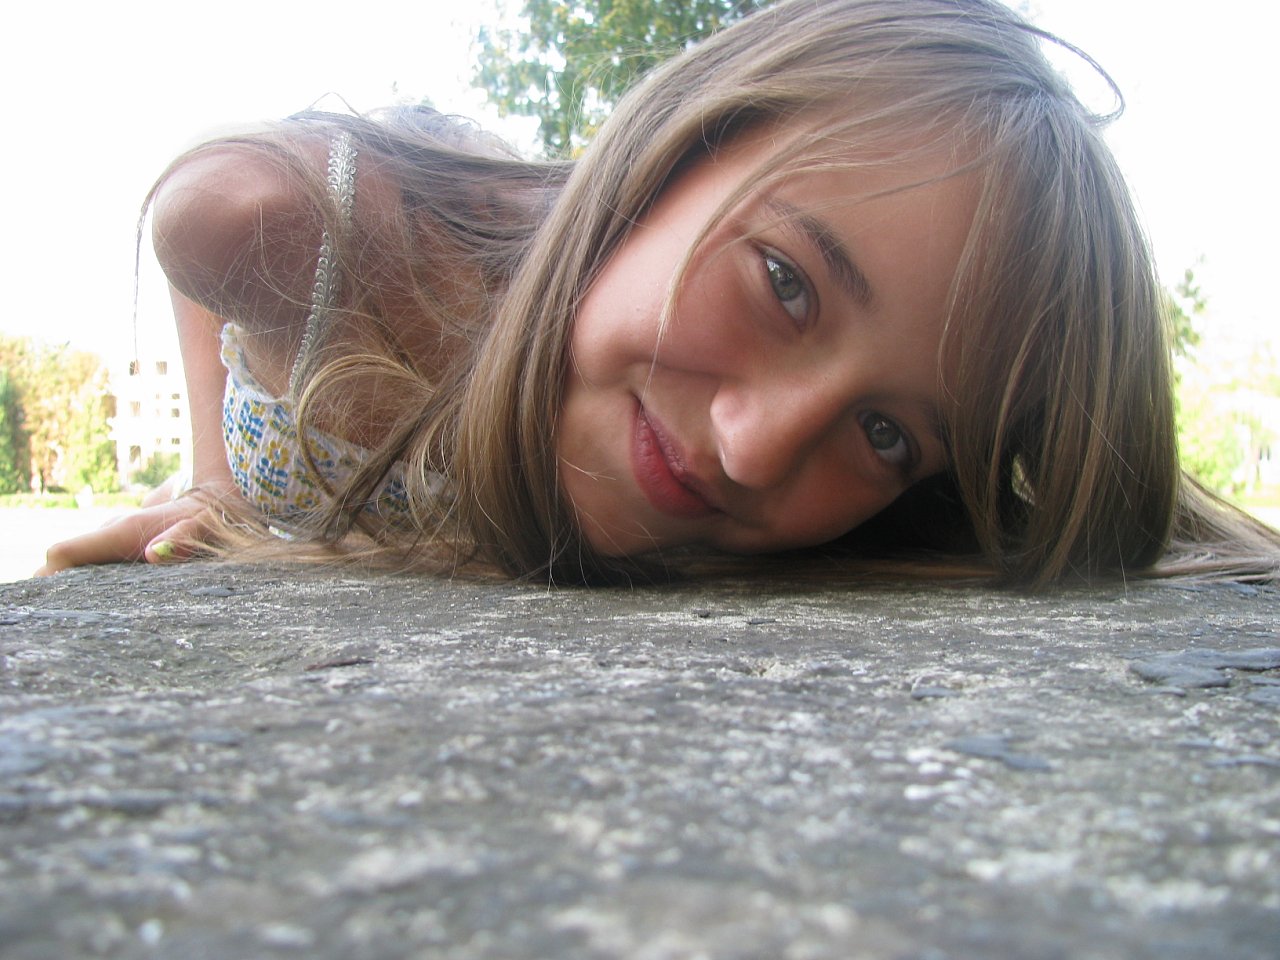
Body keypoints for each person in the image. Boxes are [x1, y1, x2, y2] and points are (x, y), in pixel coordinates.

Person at [38, 0, 1280, 586]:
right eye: (783, 282)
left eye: (886, 434)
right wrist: (211, 477)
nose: (752, 450)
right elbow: (213, 244)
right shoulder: (297, 225)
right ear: (671, 153)